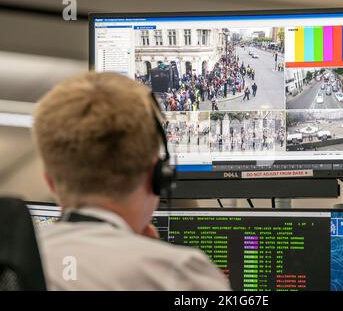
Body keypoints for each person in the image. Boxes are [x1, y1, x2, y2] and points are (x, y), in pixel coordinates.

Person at [33, 71, 230, 291]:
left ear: (50, 183)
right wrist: (153, 255)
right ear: (157, 175)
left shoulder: (14, 262)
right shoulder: (178, 273)